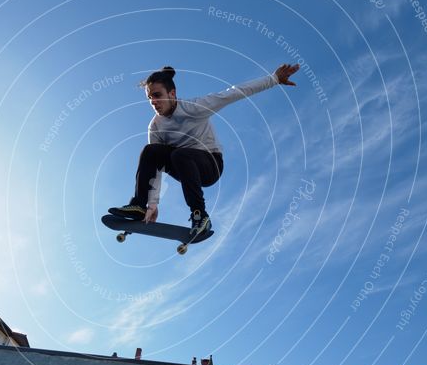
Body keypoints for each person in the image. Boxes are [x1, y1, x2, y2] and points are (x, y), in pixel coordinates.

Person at [108, 63, 300, 238]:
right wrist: (152, 204)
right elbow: (155, 170)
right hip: (183, 166)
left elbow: (234, 93)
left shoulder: (195, 107)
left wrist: (273, 79)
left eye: (157, 95)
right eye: (150, 98)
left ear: (172, 93)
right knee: (151, 151)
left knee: (179, 153)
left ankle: (200, 215)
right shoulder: (156, 127)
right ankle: (139, 206)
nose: (153, 102)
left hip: (211, 166)